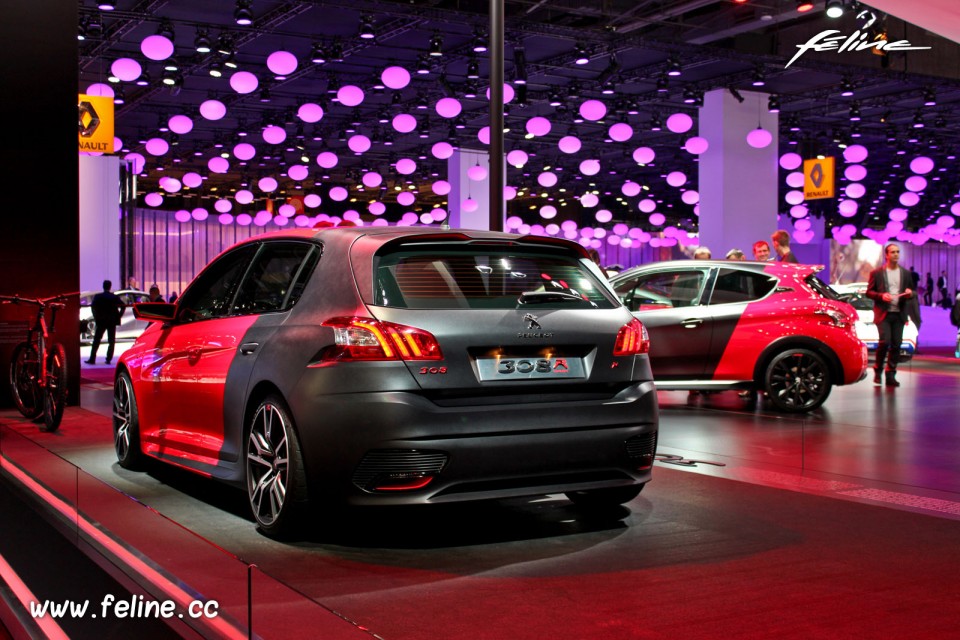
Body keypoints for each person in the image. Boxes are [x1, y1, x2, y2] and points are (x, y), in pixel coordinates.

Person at [865, 243, 913, 388]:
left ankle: (891, 373)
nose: (896, 254)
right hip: (884, 313)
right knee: (885, 342)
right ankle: (878, 370)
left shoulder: (905, 273)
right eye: (893, 252)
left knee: (897, 345)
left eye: (898, 252)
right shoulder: (877, 273)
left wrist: (910, 293)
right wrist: (881, 296)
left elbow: (912, 291)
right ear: (886, 255)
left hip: (899, 313)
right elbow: (869, 292)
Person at [86, 280, 126, 366]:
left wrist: (96, 317)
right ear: (110, 286)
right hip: (112, 321)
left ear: (103, 286)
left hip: (101, 320)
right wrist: (119, 316)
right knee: (111, 341)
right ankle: (108, 359)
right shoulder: (114, 297)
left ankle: (92, 358)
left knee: (96, 340)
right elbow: (123, 306)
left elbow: (93, 307)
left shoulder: (98, 296)